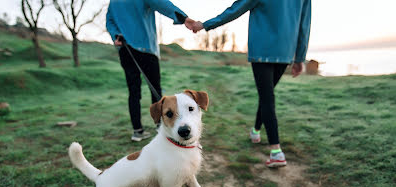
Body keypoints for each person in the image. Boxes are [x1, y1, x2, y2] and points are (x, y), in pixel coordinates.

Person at [191, 0, 311, 167]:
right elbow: (304, 24)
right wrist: (299, 58)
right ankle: (255, 131)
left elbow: (236, 9)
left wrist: (204, 24)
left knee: (267, 97)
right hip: (285, 52)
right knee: (266, 95)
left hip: (262, 50)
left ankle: (276, 151)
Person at [106, 0, 195, 141]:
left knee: (133, 92)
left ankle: (137, 131)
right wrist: (183, 18)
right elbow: (161, 4)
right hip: (146, 49)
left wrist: (115, 35)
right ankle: (161, 128)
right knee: (155, 89)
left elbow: (109, 20)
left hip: (125, 49)